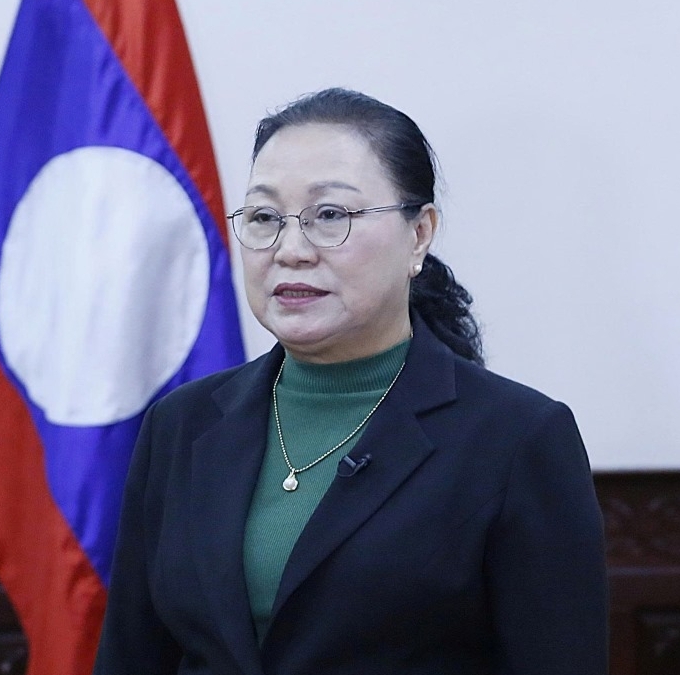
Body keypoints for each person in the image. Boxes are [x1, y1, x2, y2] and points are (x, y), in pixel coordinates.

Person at [94, 88, 608, 674]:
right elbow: (132, 656)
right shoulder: (182, 424)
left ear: (419, 234)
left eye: (330, 216)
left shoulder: (516, 439)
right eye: (264, 218)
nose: (291, 250)